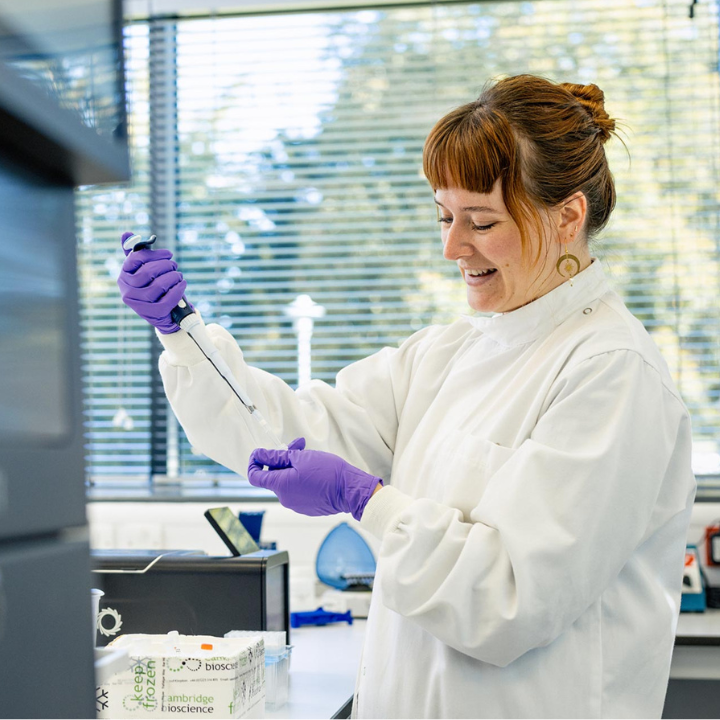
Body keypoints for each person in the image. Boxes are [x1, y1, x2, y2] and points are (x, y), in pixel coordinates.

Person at [117, 74, 696, 718]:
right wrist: (181, 333)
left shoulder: (612, 371)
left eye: (480, 220)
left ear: (568, 216)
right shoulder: (446, 354)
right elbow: (283, 433)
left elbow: (508, 599)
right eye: (445, 217)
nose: (452, 247)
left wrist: (365, 500)